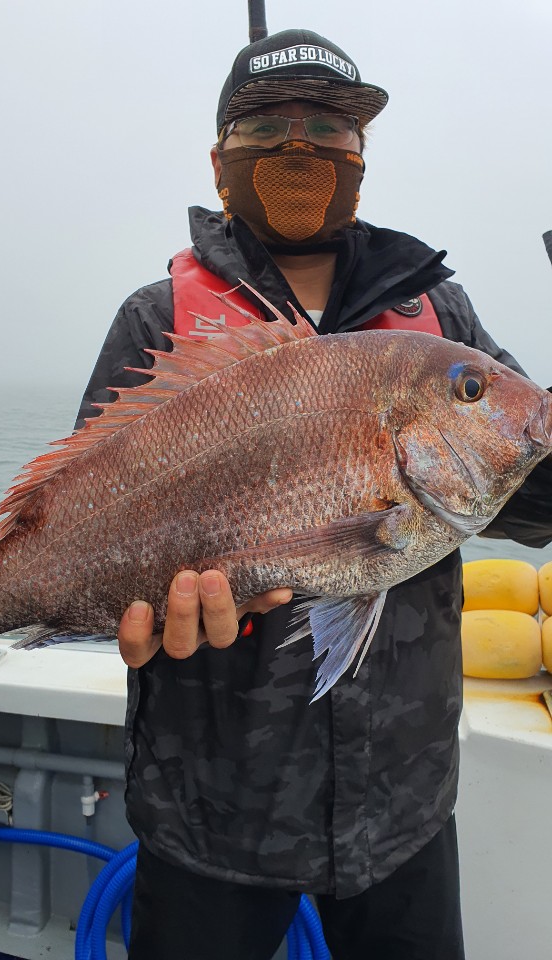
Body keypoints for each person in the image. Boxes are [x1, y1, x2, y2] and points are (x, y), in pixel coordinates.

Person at [75, 28, 552, 960]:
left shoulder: (437, 315)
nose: (301, 146)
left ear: (361, 157)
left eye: (330, 126)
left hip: (404, 805)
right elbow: (89, 510)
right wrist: (104, 608)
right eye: (269, 124)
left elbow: (531, 481)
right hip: (210, 803)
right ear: (221, 162)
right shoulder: (157, 319)